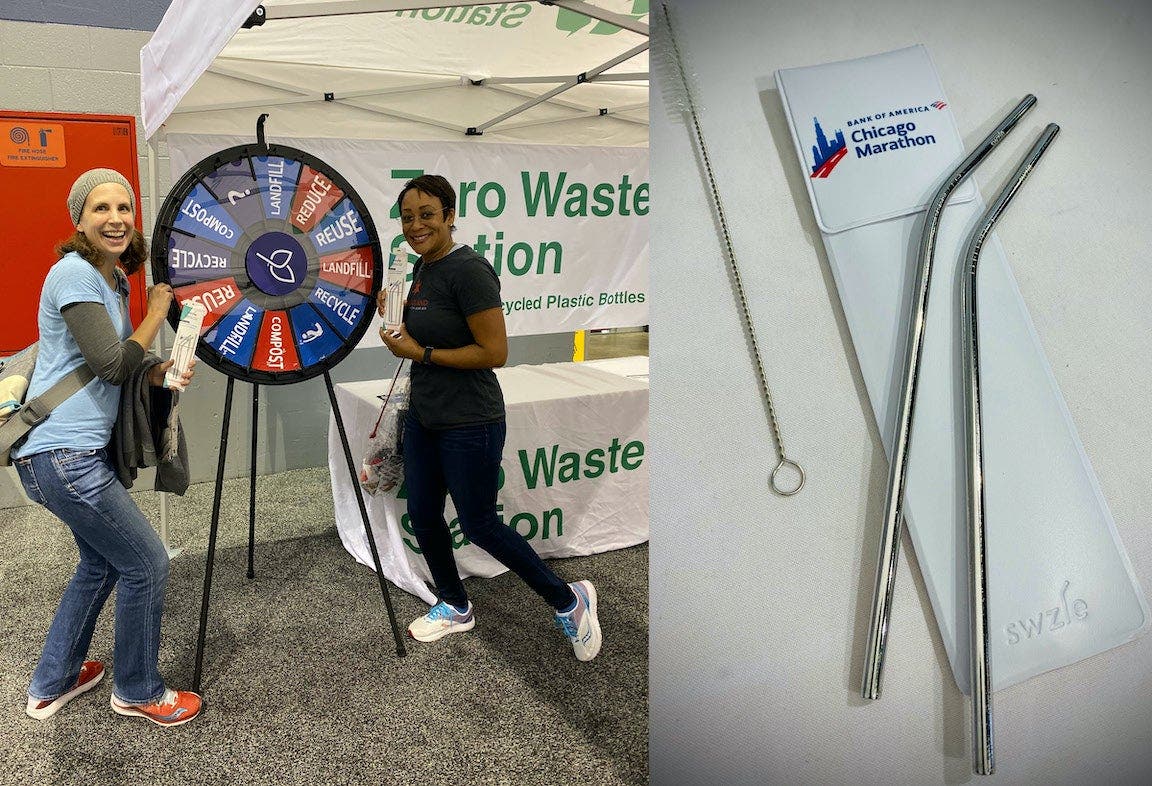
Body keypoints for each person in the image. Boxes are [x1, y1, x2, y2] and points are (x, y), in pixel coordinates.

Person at [378, 174, 602, 661]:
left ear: (451, 216)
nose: (416, 225)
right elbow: (418, 335)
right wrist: (393, 315)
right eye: (408, 216)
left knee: (479, 524)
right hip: (425, 415)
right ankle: (455, 604)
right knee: (423, 514)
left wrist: (422, 350)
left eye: (427, 215)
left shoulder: (469, 270)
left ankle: (569, 600)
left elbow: (494, 352)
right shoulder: (418, 269)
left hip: (470, 420)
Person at [11, 169, 201, 725]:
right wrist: (157, 315)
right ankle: (138, 691)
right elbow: (113, 364)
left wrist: (159, 373)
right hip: (62, 455)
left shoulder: (110, 279)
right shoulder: (72, 274)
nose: (116, 218)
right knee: (146, 563)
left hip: (70, 456)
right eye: (101, 209)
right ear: (79, 221)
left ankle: (54, 681)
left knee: (99, 565)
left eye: (124, 207)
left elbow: (114, 367)